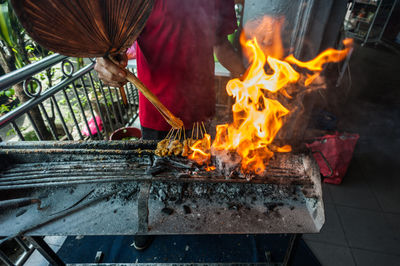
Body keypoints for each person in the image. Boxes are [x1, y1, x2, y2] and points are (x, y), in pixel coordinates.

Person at [94, 0, 245, 250]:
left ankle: (195, 215)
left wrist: (251, 77)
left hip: (200, 111)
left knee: (198, 171)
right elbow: (114, 49)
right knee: (152, 177)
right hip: (157, 112)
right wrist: (107, 63)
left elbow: (221, 45)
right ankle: (147, 220)